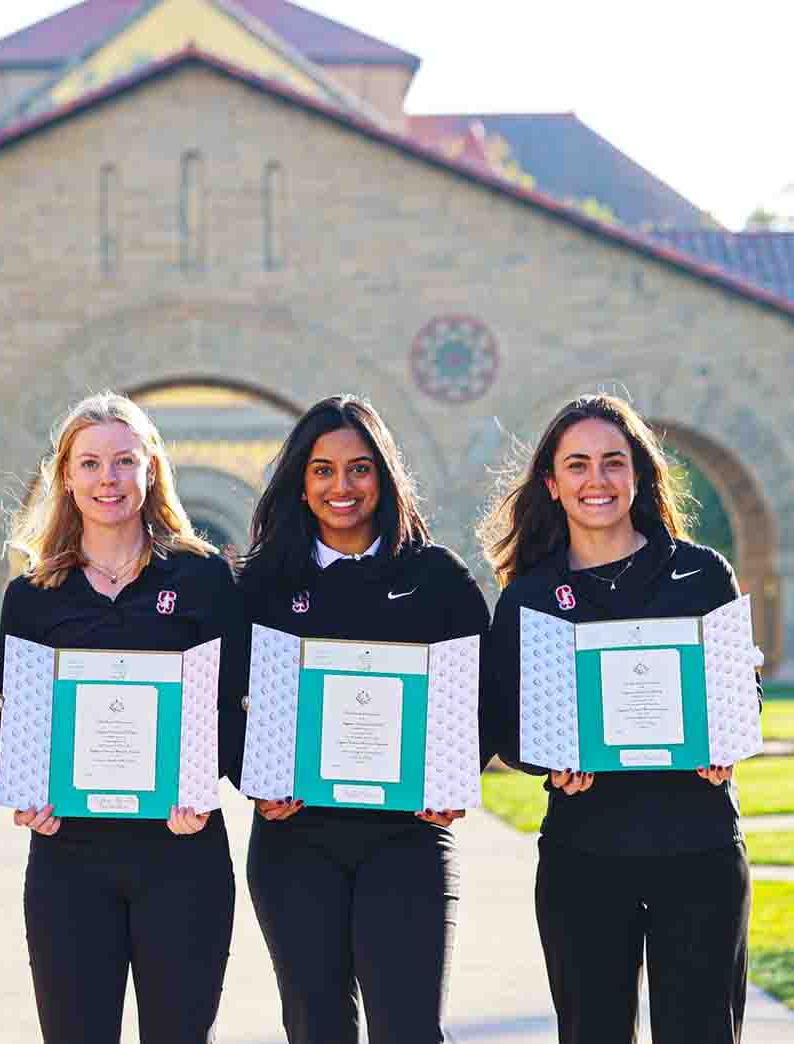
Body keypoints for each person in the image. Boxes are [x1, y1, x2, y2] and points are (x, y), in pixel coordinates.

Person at [478, 393, 753, 1044]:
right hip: (585, 852)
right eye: (577, 465)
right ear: (551, 482)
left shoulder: (700, 573)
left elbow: (742, 685)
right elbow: (506, 720)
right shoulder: (532, 596)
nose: (595, 480)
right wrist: (548, 760)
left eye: (612, 462)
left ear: (640, 474)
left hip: (700, 847)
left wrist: (728, 735)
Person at [236, 395, 490, 1043]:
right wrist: (253, 777)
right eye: (322, 470)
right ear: (300, 479)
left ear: (385, 475)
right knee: (316, 1025)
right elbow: (214, 701)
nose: (341, 486)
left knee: (408, 1028)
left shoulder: (434, 577)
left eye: (359, 468)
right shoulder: (261, 582)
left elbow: (484, 693)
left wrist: (455, 775)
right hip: (296, 841)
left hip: (404, 839)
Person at [0, 391, 246, 1044]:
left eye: (123, 461)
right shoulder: (31, 596)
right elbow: (21, 717)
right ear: (66, 477)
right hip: (68, 857)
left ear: (151, 469)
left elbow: (234, 704)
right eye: (89, 463)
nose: (107, 479)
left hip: (182, 851)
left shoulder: (204, 579)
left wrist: (204, 780)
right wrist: (28, 795)